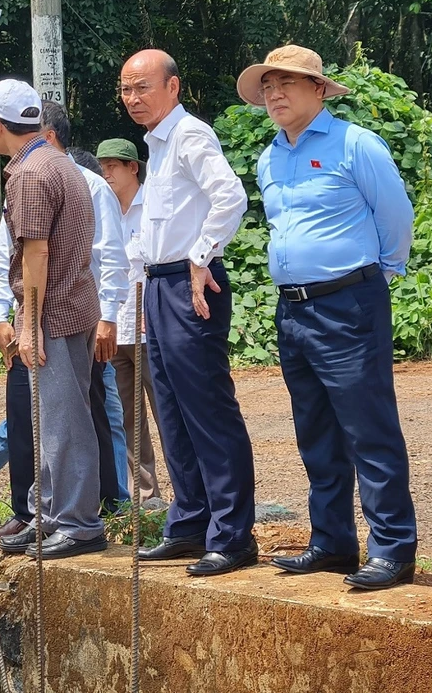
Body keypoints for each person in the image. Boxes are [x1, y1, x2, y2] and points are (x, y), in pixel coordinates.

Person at [236, 45, 418, 590]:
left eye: (288, 83)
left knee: (369, 429)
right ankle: (332, 542)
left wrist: (376, 278)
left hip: (348, 305)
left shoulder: (355, 145)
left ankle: (392, 549)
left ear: (319, 89)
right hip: (291, 310)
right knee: (315, 432)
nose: (275, 94)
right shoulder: (269, 157)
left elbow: (396, 217)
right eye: (268, 86)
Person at [0, 107, 131, 535]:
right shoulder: (59, 170)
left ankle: (78, 521)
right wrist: (6, 314)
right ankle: (48, 514)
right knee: (45, 418)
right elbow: (10, 253)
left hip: (55, 316)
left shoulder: (34, 174)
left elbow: (38, 255)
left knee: (72, 419)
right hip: (65, 312)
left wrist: (31, 324)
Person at [120, 49, 257, 576]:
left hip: (190, 286)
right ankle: (190, 524)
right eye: (126, 90)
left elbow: (231, 196)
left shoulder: (191, 136)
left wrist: (201, 257)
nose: (133, 98)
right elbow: (152, 229)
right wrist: (138, 290)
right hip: (159, 288)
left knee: (207, 411)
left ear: (173, 88)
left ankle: (233, 535)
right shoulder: (158, 144)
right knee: (172, 412)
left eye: (143, 87)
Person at [96, 138, 164, 501]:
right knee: (127, 418)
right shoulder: (98, 209)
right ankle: (145, 496)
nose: (106, 172)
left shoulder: (151, 206)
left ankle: (190, 494)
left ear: (132, 168)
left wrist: (153, 309)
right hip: (112, 328)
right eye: (102, 165)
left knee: (168, 412)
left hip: (149, 326)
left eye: (113, 165)